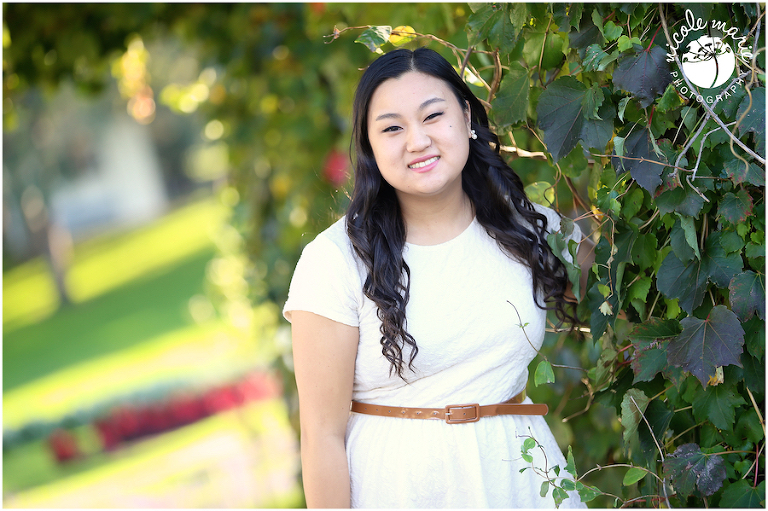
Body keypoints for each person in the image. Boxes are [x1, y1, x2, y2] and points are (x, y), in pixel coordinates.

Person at [283, 47, 593, 508]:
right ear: (370, 146)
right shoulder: (335, 261)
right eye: (392, 128)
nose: (417, 141)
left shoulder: (526, 229)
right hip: (403, 490)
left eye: (433, 116)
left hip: (525, 483)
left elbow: (618, 282)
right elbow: (321, 436)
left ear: (466, 116)